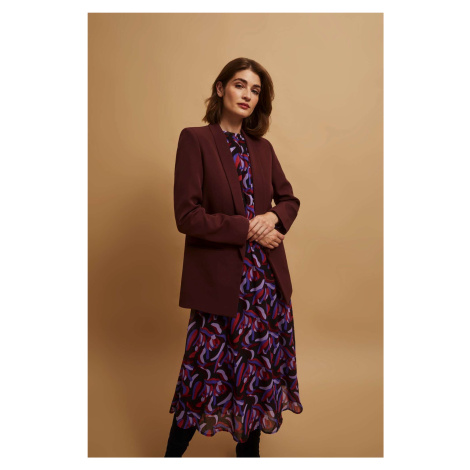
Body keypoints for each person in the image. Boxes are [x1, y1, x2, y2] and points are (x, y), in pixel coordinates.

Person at [165, 57, 303, 458]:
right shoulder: (195, 140)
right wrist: (247, 227)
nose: (247, 95)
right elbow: (187, 216)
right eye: (240, 85)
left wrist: (272, 218)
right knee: (201, 377)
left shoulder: (263, 148)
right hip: (220, 286)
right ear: (221, 88)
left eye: (255, 90)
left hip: (266, 288)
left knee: (255, 378)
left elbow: (289, 199)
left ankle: (248, 457)